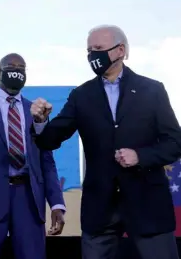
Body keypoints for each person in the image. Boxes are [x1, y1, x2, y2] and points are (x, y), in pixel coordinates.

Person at [30, 25, 181, 259]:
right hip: (100, 209)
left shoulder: (152, 90)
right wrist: (40, 122)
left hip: (147, 205)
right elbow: (50, 140)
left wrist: (140, 156)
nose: (92, 56)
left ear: (120, 50)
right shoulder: (81, 95)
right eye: (89, 50)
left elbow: (175, 143)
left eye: (98, 49)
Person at [0, 53, 65, 259]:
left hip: (29, 200)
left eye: (22, 68)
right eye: (11, 66)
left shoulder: (36, 111)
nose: (17, 71)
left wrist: (57, 204)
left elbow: (46, 162)